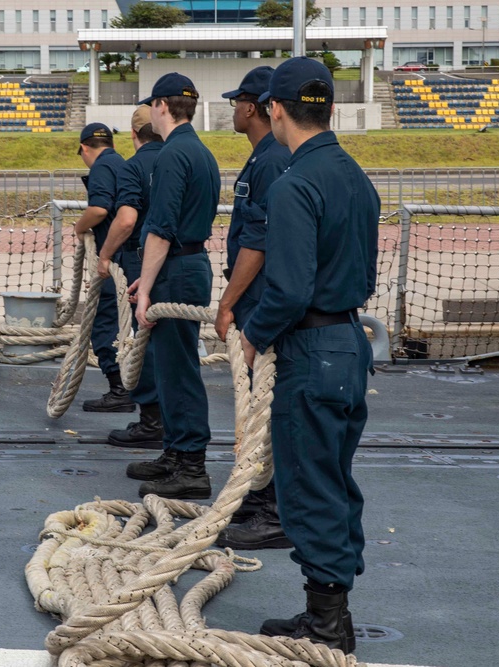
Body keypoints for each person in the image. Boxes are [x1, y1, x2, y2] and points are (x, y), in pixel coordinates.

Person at [240, 57, 379, 654]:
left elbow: (289, 288)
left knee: (308, 484)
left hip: (310, 348)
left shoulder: (295, 183)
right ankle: (331, 606)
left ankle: (326, 622)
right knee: (335, 480)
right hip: (348, 344)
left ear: (275, 108)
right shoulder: (355, 176)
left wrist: (252, 335)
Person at [125, 73, 220, 499]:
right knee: (172, 366)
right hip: (190, 263)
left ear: (161, 105)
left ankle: (192, 466)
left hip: (177, 270)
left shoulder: (169, 155)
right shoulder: (201, 153)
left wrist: (145, 288)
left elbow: (161, 228)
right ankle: (176, 452)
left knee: (178, 370)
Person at [212, 66, 293, 552]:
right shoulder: (269, 157)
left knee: (270, 407)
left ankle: (271, 508)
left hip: (262, 301)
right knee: (263, 407)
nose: (234, 110)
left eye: (238, 101)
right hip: (260, 299)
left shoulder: (268, 162)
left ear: (255, 106)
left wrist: (228, 303)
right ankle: (261, 499)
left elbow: (257, 242)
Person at [97, 106, 165, 449]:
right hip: (180, 261)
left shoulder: (133, 166)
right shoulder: (179, 159)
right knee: (172, 346)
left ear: (134, 135)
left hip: (140, 261)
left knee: (142, 344)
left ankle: (151, 421)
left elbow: (125, 221)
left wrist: (105, 255)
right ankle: (173, 426)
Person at [74, 123, 133, 413]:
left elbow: (99, 209)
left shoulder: (100, 167)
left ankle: (119, 389)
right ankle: (133, 385)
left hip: (113, 259)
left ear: (85, 148)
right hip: (130, 256)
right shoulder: (123, 163)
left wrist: (79, 226)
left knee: (104, 323)